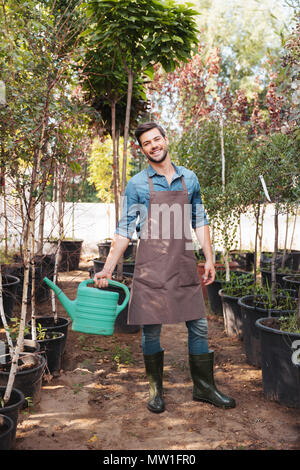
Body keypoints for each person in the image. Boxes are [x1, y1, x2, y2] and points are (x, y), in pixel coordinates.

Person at [94, 122, 236, 413]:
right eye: (147, 143)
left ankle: (204, 387)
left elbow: (200, 220)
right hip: (151, 265)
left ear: (165, 140)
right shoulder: (136, 184)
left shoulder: (189, 179)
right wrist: (108, 268)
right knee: (151, 330)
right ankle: (155, 390)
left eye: (157, 139)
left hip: (183, 261)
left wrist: (209, 258)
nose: (154, 145)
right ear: (142, 149)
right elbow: (124, 230)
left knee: (198, 324)